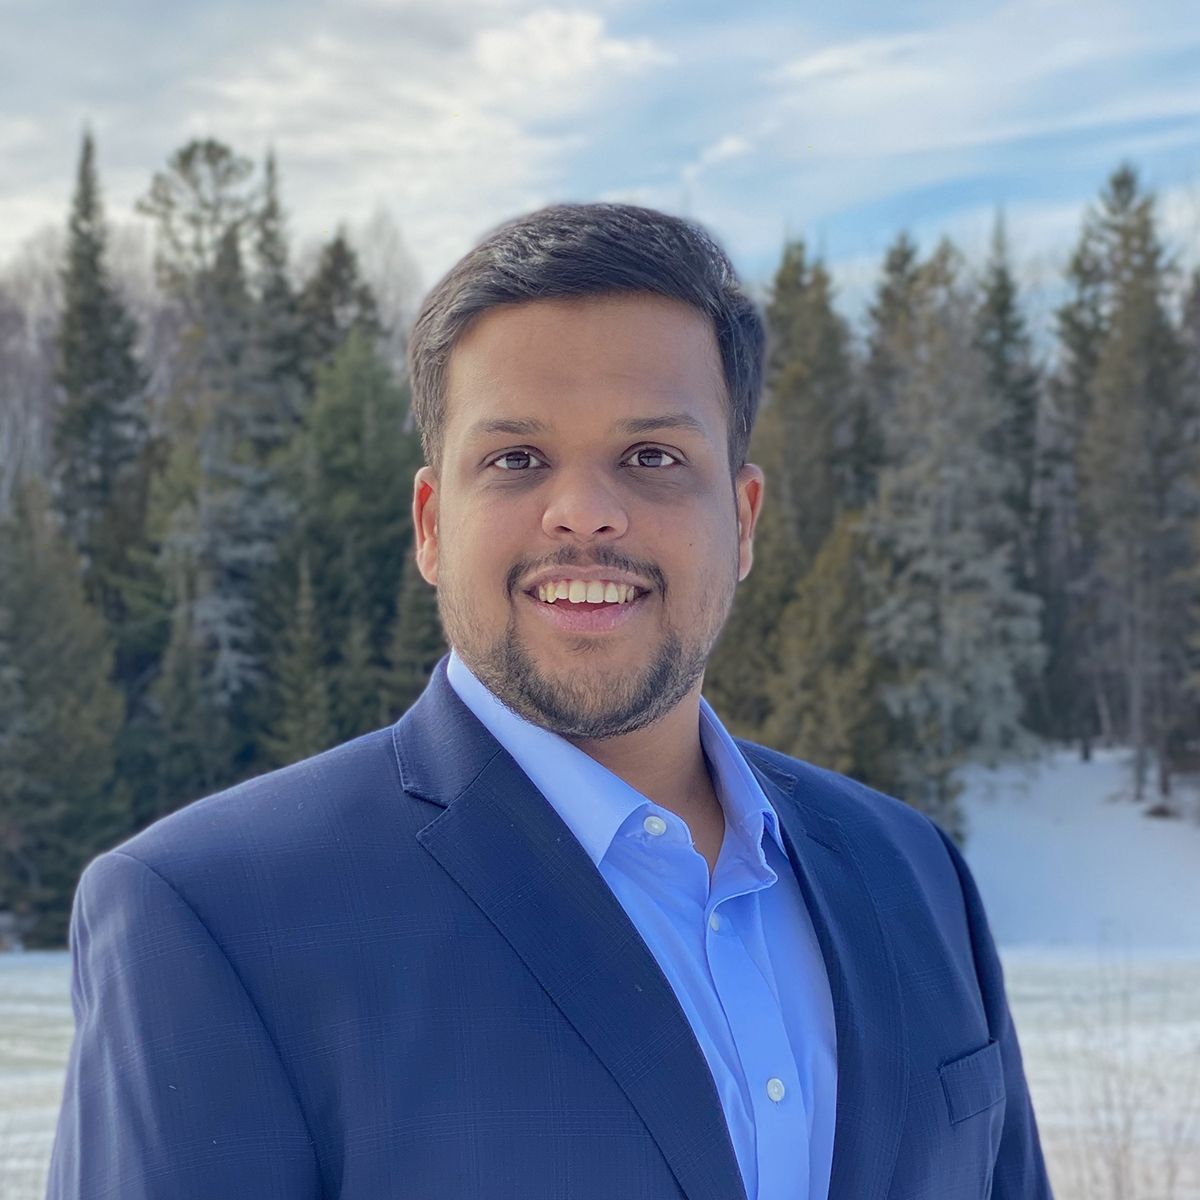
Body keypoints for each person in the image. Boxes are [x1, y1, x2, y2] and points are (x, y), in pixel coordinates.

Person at [45, 203, 1053, 1200]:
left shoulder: (911, 876)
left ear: (741, 520)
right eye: (516, 459)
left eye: (652, 457)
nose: (585, 512)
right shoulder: (216, 919)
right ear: (433, 524)